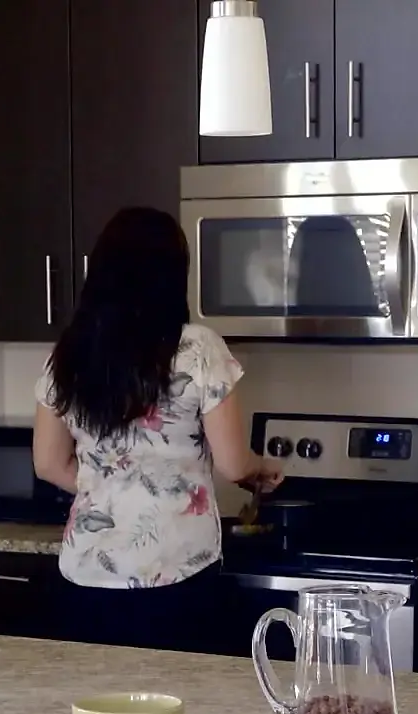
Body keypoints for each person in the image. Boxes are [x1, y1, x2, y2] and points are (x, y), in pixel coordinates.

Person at [32, 206, 280, 652]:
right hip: (176, 572)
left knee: (96, 696)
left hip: (85, 575)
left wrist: (114, 485)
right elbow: (233, 464)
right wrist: (261, 468)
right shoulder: (198, 348)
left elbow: (47, 463)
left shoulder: (68, 353)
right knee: (177, 695)